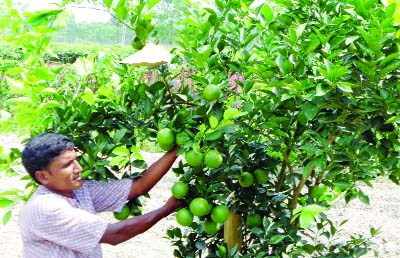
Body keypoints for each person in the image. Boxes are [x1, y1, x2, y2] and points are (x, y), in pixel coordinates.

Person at [19, 133, 182, 258]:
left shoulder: (79, 191)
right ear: (42, 176)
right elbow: (114, 234)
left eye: (75, 160)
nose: (79, 168)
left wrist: (176, 150)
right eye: (67, 165)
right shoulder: (45, 208)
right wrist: (167, 209)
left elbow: (139, 186)